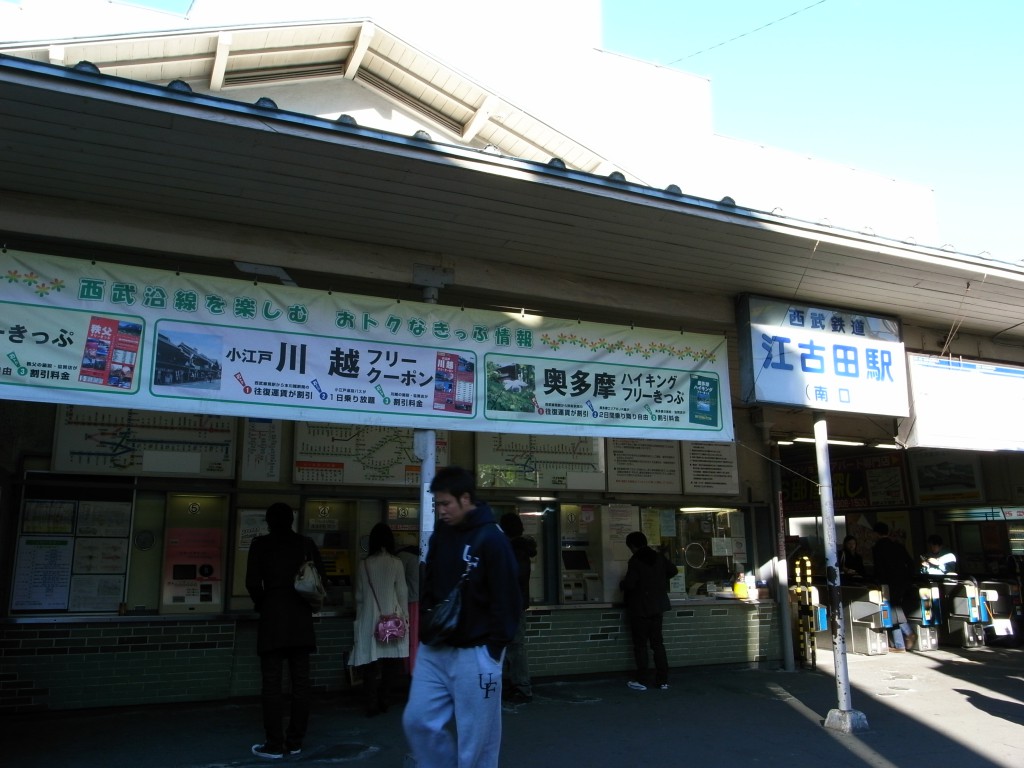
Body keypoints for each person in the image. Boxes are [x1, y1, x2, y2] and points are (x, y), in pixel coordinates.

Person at [402, 466, 521, 768]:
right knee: (417, 721)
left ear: (466, 499)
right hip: (435, 648)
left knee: (476, 743)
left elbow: (508, 599)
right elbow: (431, 579)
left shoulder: (492, 539)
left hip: (476, 652)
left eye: (445, 504)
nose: (440, 511)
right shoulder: (443, 532)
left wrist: (493, 651)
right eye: (436, 504)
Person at [245, 501, 325, 759]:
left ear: (268, 521)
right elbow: (320, 578)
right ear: (292, 520)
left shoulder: (260, 545)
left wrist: (264, 603)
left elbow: (252, 583)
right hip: (300, 619)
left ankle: (274, 743)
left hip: (272, 620)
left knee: (271, 683)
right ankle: (295, 741)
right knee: (300, 683)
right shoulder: (305, 544)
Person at [351, 522, 409, 717]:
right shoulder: (396, 563)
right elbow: (402, 592)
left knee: (370, 663)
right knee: (391, 663)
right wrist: (405, 618)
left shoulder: (364, 564)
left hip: (369, 618)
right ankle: (385, 699)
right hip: (392, 618)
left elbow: (359, 597)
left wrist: (360, 619)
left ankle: (371, 703)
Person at [620, 531, 678, 691]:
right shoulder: (658, 557)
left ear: (632, 546)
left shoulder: (636, 560)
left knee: (640, 645)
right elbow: (673, 570)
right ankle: (662, 680)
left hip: (640, 608)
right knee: (657, 644)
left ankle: (642, 680)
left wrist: (622, 585)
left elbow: (630, 584)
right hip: (657, 607)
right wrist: (659, 582)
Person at [499, 511, 538, 704]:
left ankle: (522, 688)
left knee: (515, 646)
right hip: (515, 604)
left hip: (510, 605)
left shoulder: (514, 550)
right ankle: (516, 685)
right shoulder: (519, 550)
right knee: (514, 646)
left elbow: (511, 578)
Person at [871, 522, 916, 652]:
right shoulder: (898, 546)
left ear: (876, 533)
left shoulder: (878, 547)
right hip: (902, 583)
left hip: (888, 584)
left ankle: (908, 633)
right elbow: (910, 563)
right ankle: (899, 644)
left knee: (892, 610)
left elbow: (879, 568)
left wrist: (877, 582)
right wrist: (908, 579)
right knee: (894, 610)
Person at [396, 538, 422, 673]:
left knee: (409, 637)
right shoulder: (421, 554)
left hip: (409, 602)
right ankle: (415, 668)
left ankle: (409, 667)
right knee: (416, 638)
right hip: (421, 601)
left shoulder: (401, 556)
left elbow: (398, 582)